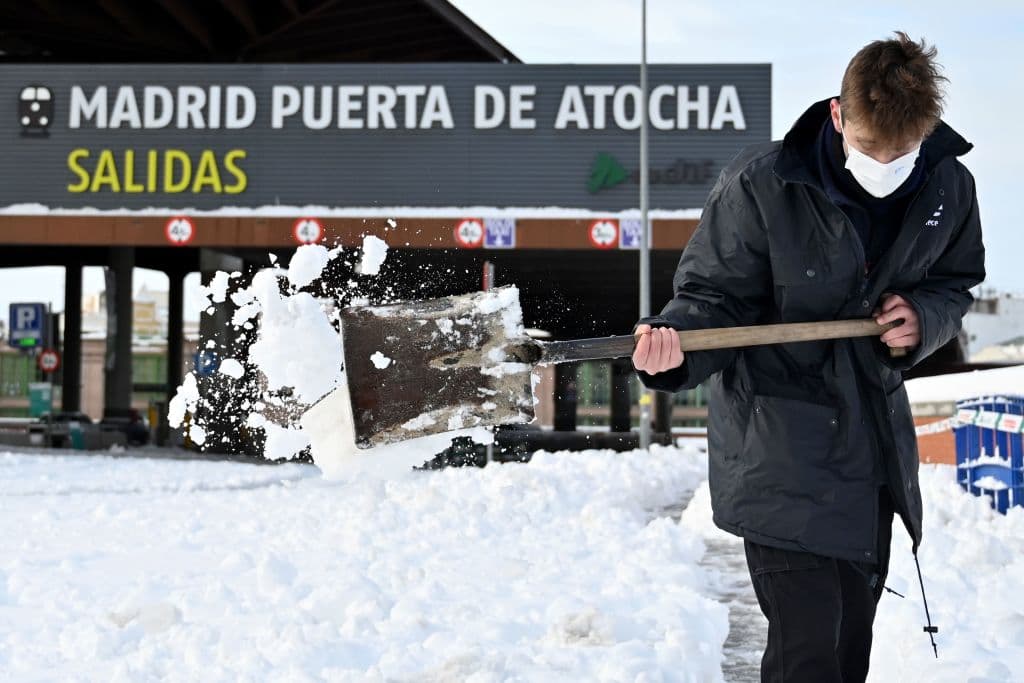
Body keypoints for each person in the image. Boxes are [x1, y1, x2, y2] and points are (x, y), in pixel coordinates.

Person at [632, 32, 985, 682]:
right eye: (869, 149)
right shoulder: (763, 184)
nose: (885, 165)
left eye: (901, 153)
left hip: (871, 457)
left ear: (926, 129)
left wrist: (922, 318)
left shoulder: (946, 187)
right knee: (807, 655)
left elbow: (955, 284)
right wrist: (672, 347)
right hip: (780, 454)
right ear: (836, 114)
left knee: (848, 651)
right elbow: (712, 297)